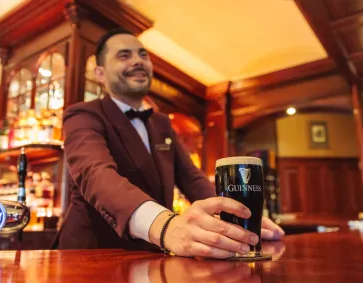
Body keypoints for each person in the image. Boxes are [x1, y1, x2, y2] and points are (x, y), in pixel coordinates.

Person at [55, 28, 284, 259]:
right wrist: (166, 226)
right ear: (100, 74)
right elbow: (95, 174)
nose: (138, 61)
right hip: (91, 256)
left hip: (150, 257)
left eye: (143, 55)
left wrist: (235, 217)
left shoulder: (161, 123)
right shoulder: (83, 115)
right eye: (124, 55)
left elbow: (191, 178)